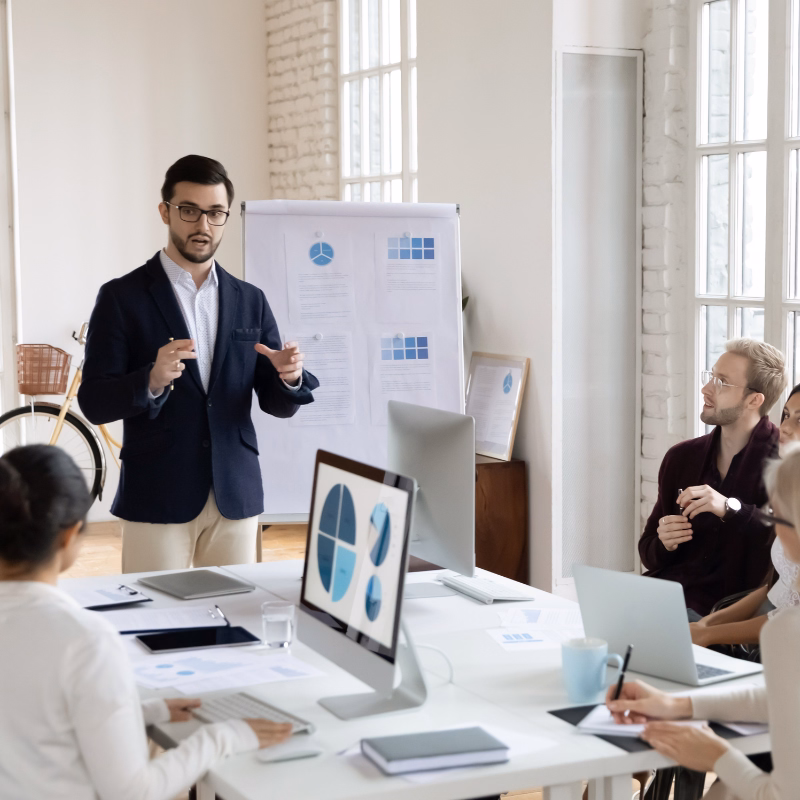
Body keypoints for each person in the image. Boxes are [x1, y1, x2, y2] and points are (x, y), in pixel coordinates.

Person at [0, 445, 292, 800]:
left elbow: (28, 715)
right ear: (69, 535)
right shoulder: (84, 641)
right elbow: (134, 793)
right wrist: (226, 736)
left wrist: (142, 711)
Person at [77, 155, 318, 573]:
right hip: (157, 493)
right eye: (189, 210)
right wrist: (150, 380)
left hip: (235, 495)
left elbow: (277, 404)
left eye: (215, 213)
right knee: (155, 623)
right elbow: (95, 402)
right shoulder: (122, 297)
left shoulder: (250, 299)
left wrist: (289, 377)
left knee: (234, 623)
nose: (202, 225)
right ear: (165, 211)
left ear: (225, 217)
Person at [607, 443, 800, 799]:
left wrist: (715, 755)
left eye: (775, 516)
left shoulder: (788, 630)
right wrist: (680, 705)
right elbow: (785, 698)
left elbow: (778, 794)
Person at [638, 339, 786, 617]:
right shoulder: (681, 457)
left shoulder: (786, 465)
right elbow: (648, 553)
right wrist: (664, 542)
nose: (706, 389)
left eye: (722, 382)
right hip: (666, 599)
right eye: (711, 376)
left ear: (754, 399)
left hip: (728, 616)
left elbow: (784, 546)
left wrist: (730, 508)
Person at [690, 384, 800, 650]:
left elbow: (791, 620)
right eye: (785, 414)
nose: (784, 427)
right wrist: (709, 624)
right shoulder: (790, 482)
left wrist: (710, 634)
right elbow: (778, 587)